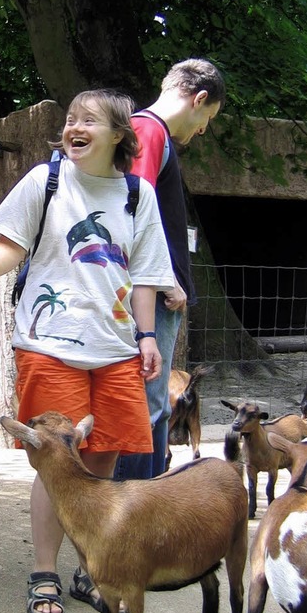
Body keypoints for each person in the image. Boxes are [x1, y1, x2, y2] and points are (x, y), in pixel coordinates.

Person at [0, 89, 175, 613]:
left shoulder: (138, 195)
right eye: (71, 119)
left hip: (114, 350)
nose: (75, 126)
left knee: (103, 459)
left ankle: (90, 570)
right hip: (49, 344)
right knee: (56, 466)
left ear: (119, 135)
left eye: (89, 119)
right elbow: (11, 244)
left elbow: (147, 275)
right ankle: (44, 573)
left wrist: (148, 336)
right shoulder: (45, 180)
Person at [114, 58, 226, 481]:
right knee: (147, 401)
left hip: (154, 292)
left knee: (154, 402)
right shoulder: (149, 130)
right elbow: (134, 210)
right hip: (152, 296)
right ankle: (136, 506)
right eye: (207, 119)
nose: (202, 130)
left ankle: (146, 497)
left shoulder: (148, 132)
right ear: (199, 99)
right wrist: (167, 281)